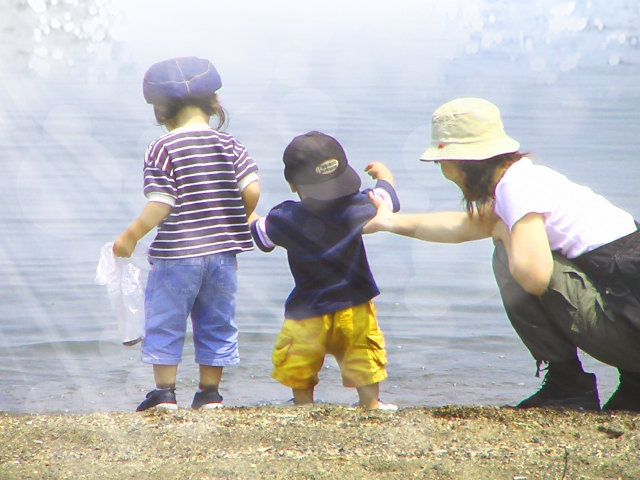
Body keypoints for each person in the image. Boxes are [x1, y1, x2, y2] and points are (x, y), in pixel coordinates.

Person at [364, 97, 640, 412]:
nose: (443, 172)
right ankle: (633, 384)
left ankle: (568, 385)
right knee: (513, 241)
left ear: (463, 161)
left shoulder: (516, 188)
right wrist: (389, 221)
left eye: (441, 162)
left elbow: (535, 278)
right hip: (629, 318)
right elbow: (465, 225)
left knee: (508, 259)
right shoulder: (528, 178)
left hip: (630, 336)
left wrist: (504, 235)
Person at [113, 57, 260, 411]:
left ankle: (165, 393)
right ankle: (210, 393)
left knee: (167, 319)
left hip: (177, 254)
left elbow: (161, 203)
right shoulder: (231, 144)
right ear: (214, 103)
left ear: (160, 109)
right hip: (223, 256)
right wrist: (239, 215)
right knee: (217, 321)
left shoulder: (163, 148)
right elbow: (252, 189)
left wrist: (131, 235)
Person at [249, 131, 400, 409]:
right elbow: (388, 199)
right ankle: (370, 404)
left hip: (307, 310)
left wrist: (245, 208)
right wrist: (383, 173)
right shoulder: (360, 205)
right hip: (354, 304)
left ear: (293, 184)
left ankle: (303, 404)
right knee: (362, 355)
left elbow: (260, 234)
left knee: (300, 362)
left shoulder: (286, 217)